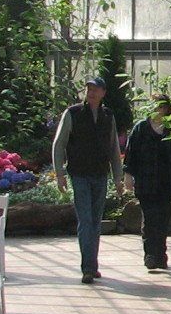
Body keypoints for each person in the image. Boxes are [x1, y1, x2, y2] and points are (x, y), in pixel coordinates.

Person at [53, 75, 124, 284]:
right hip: (80, 174)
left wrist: (118, 178)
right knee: (85, 220)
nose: (91, 92)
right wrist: (60, 174)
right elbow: (59, 144)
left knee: (95, 221)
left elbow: (113, 149)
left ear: (103, 93)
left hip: (100, 174)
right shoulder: (73, 113)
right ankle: (88, 267)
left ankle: (92, 263)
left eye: (96, 89)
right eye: (89, 88)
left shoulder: (108, 116)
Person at [126, 95, 171, 273]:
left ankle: (161, 254)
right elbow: (131, 154)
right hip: (146, 180)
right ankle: (150, 255)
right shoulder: (140, 128)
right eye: (153, 106)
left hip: (167, 181)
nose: (156, 109)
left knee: (163, 218)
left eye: (160, 106)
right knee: (149, 218)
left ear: (166, 109)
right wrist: (128, 176)